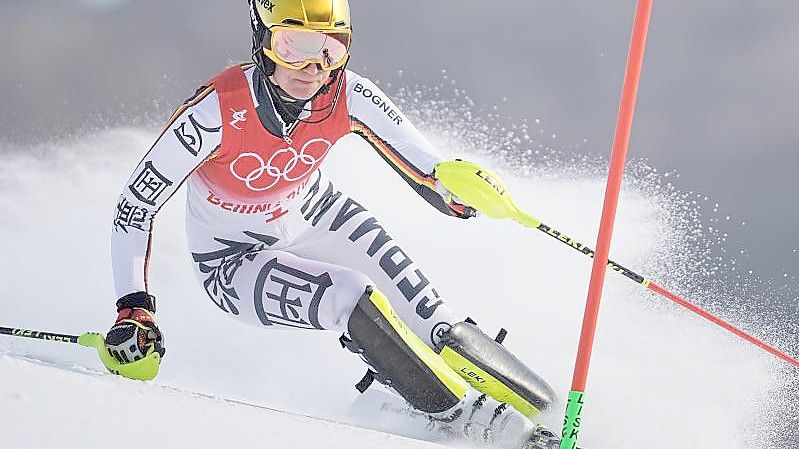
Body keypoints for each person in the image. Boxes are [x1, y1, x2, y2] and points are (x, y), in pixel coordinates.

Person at [105, 1, 558, 447]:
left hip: (321, 216)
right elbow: (135, 205)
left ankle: (548, 412)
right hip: (232, 261)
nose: (313, 67)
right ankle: (465, 422)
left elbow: (427, 168)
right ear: (263, 40)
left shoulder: (349, 94)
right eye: (294, 44)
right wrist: (134, 308)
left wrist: (459, 189)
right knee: (349, 295)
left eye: (331, 48)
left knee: (434, 323)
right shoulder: (214, 112)